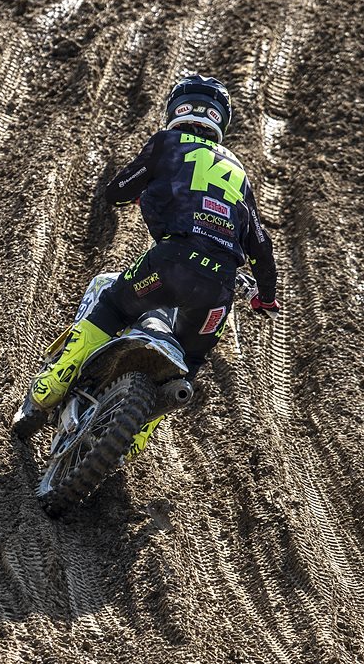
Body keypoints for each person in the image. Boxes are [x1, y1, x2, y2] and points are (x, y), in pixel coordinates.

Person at [21, 75, 280, 424]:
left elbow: (117, 191)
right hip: (218, 289)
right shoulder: (238, 170)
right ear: (221, 118)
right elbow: (262, 244)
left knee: (112, 305)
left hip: (171, 261)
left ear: (176, 109)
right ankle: (137, 436)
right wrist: (266, 297)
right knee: (186, 366)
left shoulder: (168, 142)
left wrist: (140, 191)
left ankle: (50, 386)